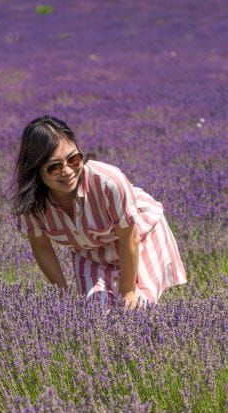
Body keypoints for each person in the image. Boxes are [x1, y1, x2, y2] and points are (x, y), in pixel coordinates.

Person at [11, 116, 187, 308]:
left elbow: (130, 237)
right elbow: (41, 247)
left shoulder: (108, 183)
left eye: (74, 159)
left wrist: (127, 291)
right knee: (96, 312)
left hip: (141, 236)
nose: (68, 171)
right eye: (55, 167)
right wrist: (63, 295)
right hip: (90, 252)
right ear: (35, 169)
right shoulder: (30, 205)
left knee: (136, 309)